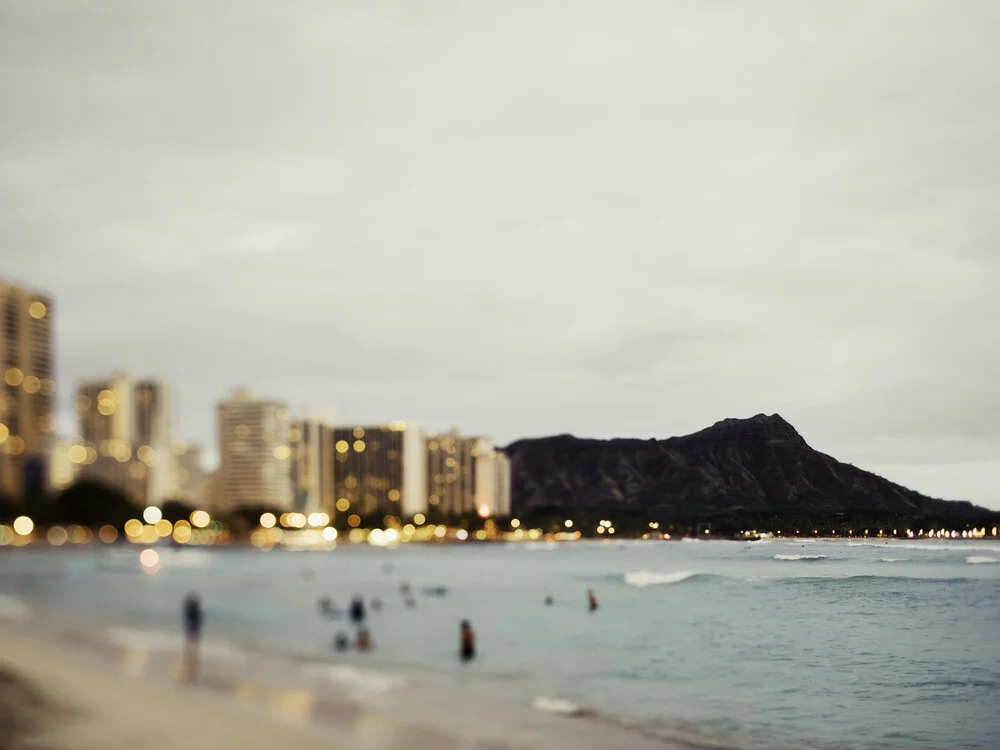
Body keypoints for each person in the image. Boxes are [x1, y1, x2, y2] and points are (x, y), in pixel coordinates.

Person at [182, 593, 203, 682]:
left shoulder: (190, 612)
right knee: (193, 655)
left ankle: (190, 674)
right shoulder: (197, 612)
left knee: (189, 655)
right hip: (195, 635)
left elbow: (188, 624)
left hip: (191, 635)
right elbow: (199, 624)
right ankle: (193, 674)